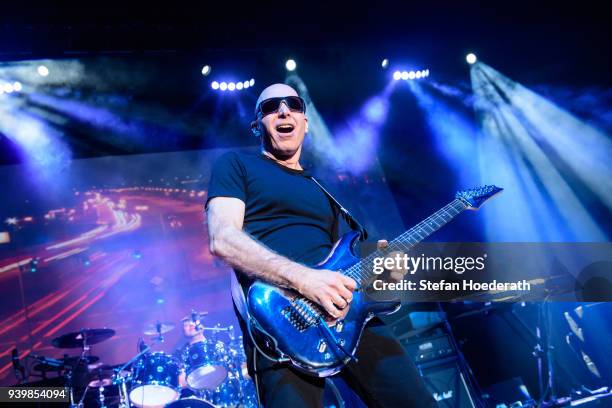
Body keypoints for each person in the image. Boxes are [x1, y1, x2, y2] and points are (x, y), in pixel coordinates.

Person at [205, 83, 436, 407]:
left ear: (305, 122)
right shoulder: (236, 165)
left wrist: (385, 276)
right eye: (272, 106)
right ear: (257, 125)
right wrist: (302, 279)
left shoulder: (325, 189)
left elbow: (340, 264)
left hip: (349, 316)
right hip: (280, 317)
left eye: (294, 104)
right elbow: (223, 239)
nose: (284, 111)